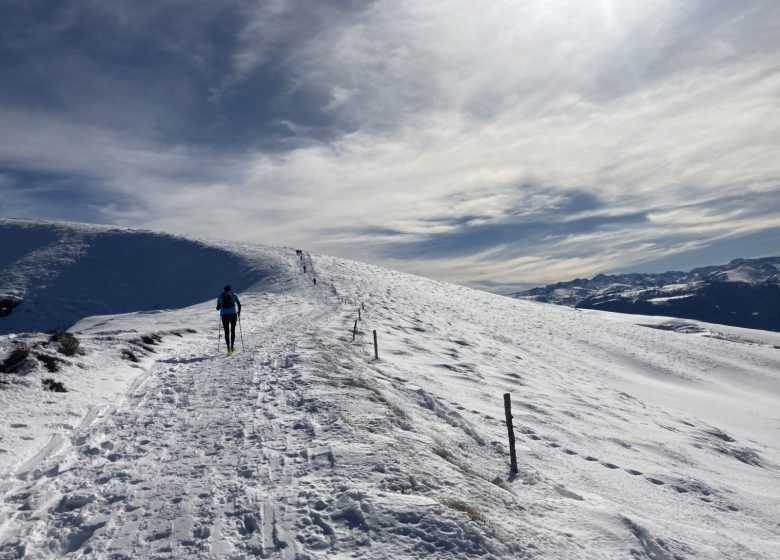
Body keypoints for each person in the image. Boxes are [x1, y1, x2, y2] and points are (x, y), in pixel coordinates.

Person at [216, 284, 241, 355]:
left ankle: (228, 350)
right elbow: (239, 304)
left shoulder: (220, 296)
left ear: (224, 290)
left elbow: (217, 308)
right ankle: (232, 347)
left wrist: (220, 306)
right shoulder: (234, 295)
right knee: (233, 330)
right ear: (230, 290)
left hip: (224, 316)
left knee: (226, 332)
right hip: (233, 315)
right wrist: (238, 312)